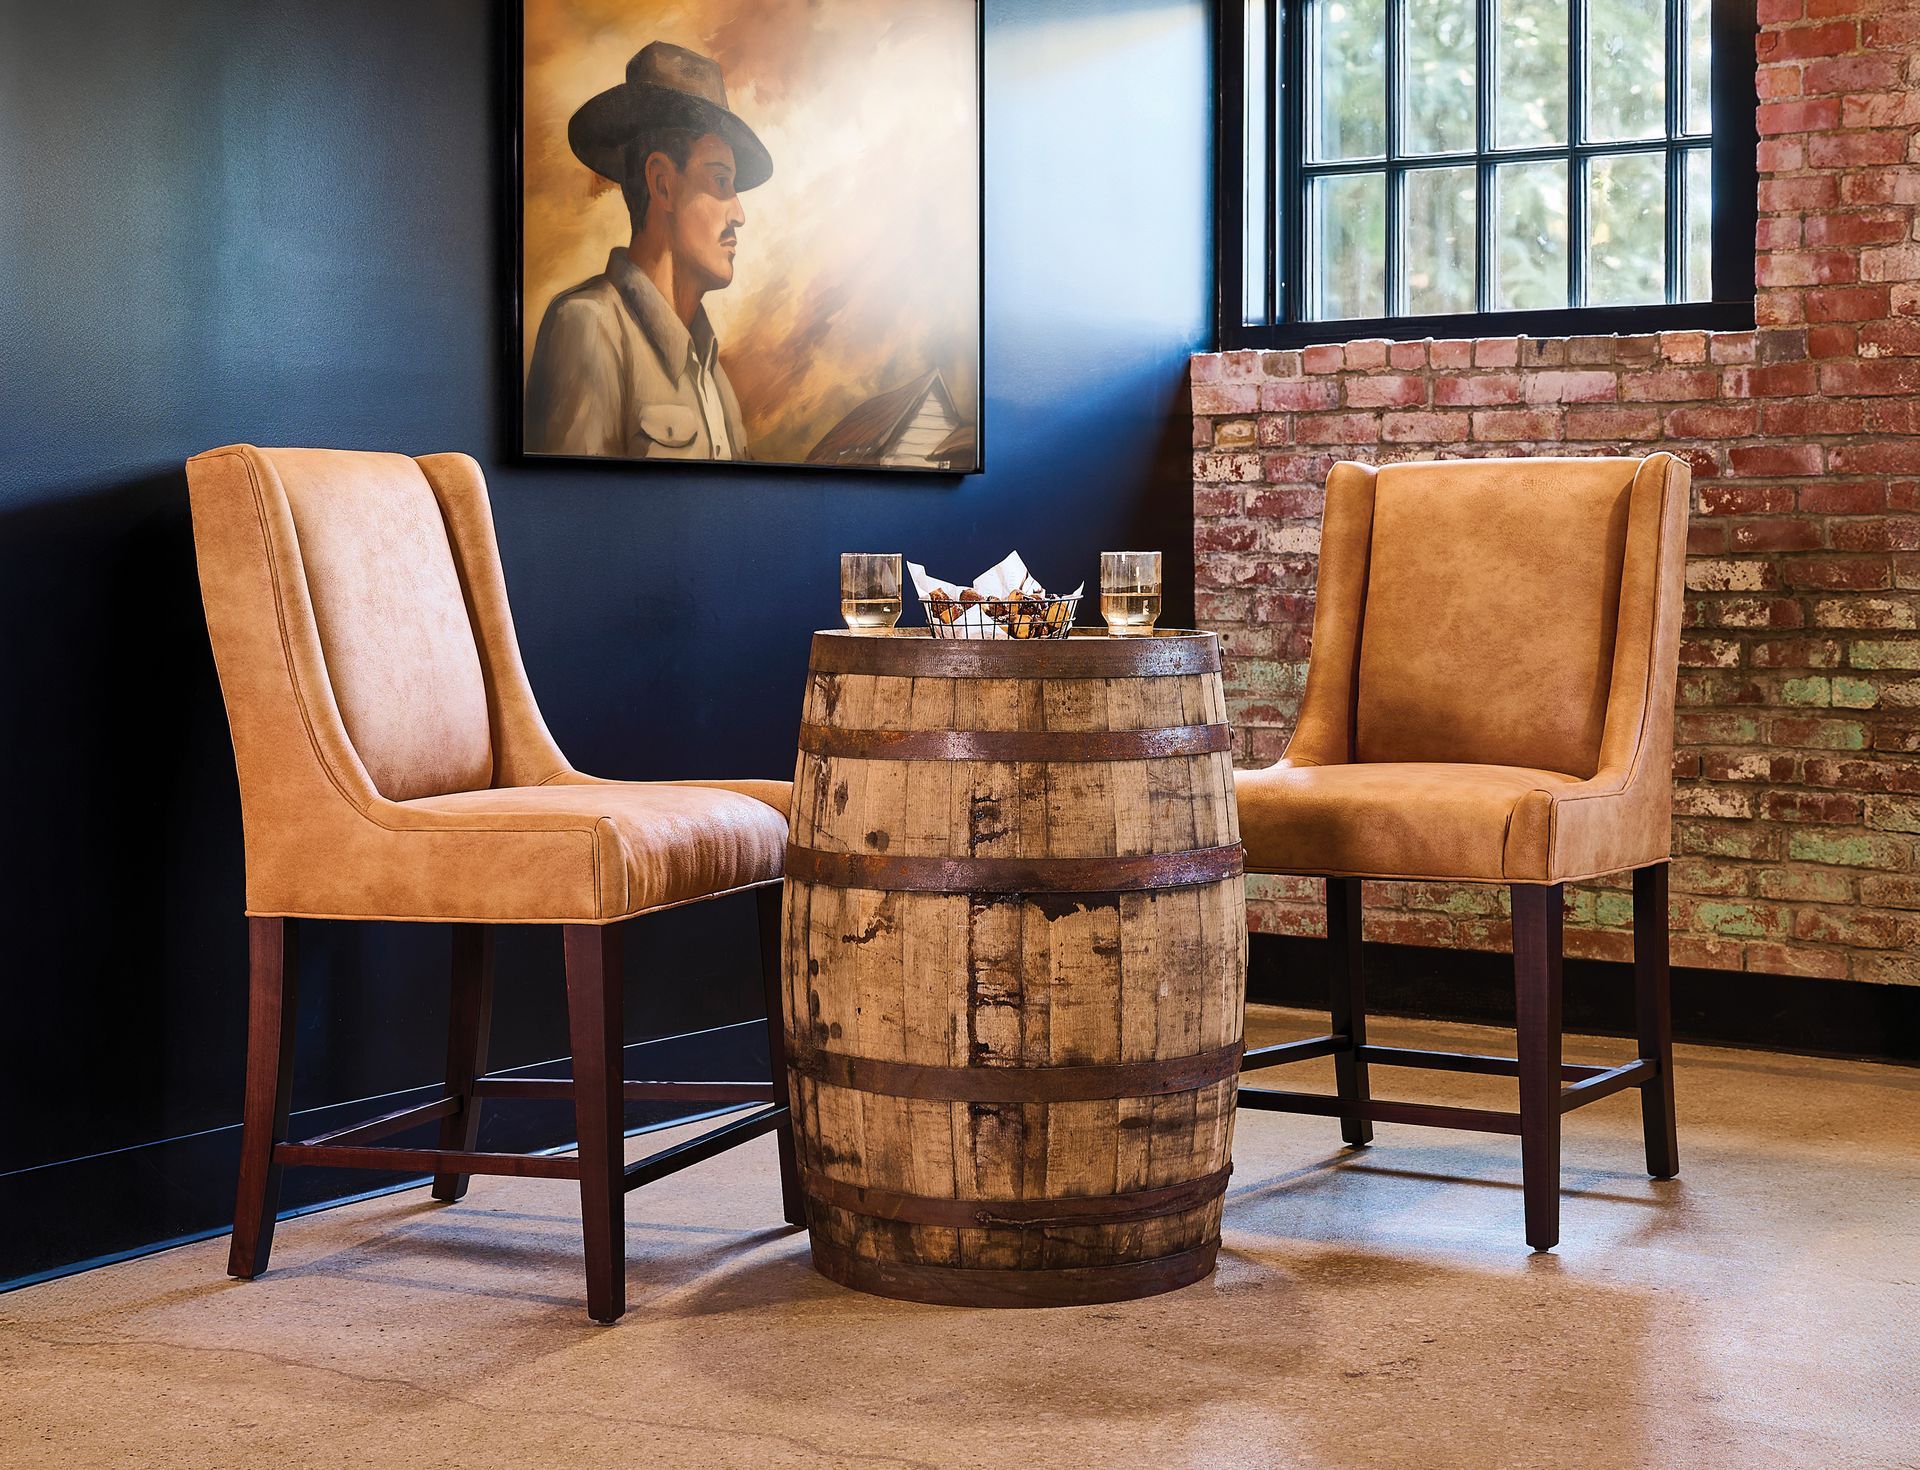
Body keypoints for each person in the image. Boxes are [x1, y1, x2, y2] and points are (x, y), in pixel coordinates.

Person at [525, 42, 772, 460]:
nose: (739, 214)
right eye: (720, 181)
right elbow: (573, 514)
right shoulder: (589, 327)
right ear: (662, 184)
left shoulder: (713, 372)